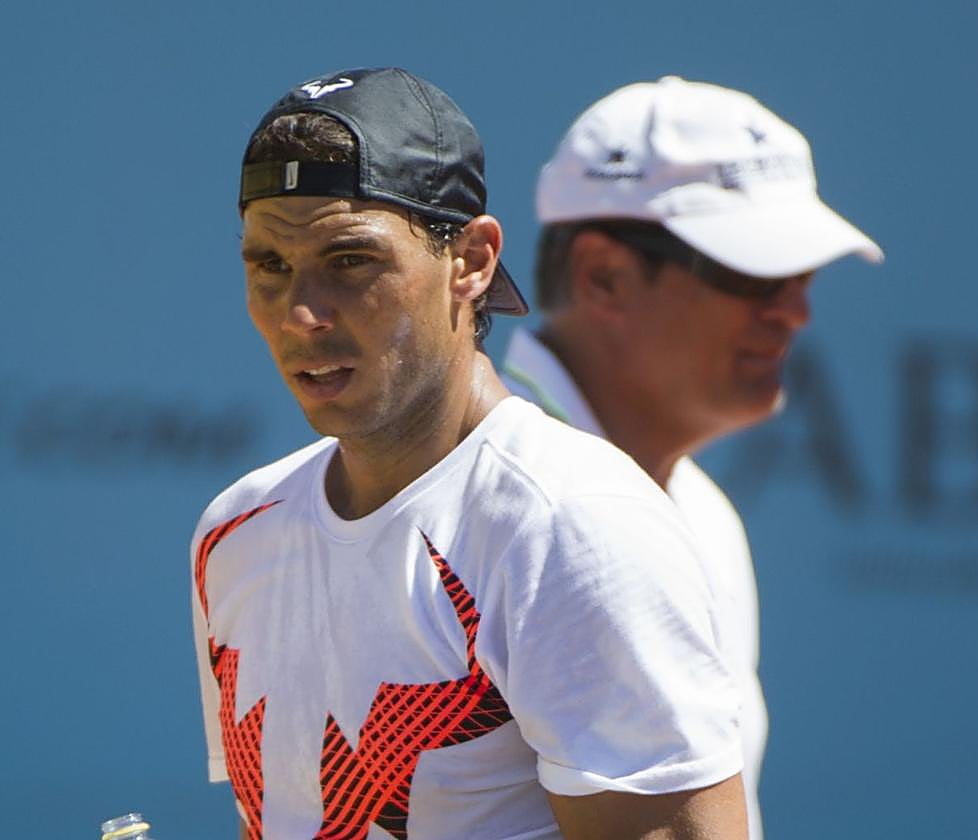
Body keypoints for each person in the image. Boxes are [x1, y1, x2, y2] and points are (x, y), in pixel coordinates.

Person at [191, 67, 748, 840]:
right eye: (270, 266)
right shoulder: (235, 530)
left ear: (472, 261)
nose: (302, 314)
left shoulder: (572, 525)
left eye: (350, 260)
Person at [501, 76, 884, 839]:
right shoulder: (462, 500)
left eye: (802, 274)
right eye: (753, 272)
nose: (796, 310)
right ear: (603, 276)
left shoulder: (704, 515)